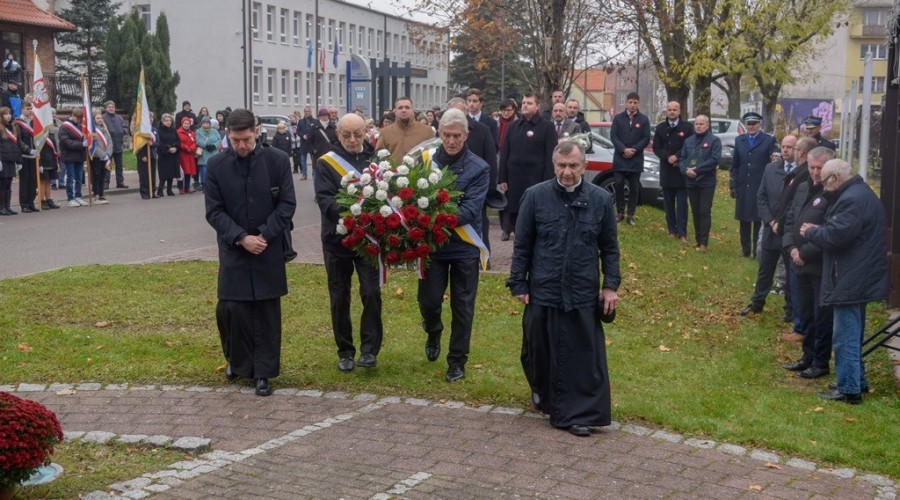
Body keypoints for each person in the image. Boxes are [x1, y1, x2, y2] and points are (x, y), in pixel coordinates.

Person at [508, 140, 620, 437]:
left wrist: (610, 286)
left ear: (584, 166)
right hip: (543, 287)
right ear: (553, 165)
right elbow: (522, 245)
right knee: (538, 349)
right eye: (561, 165)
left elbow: (609, 248)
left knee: (580, 357)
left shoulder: (600, 200)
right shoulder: (535, 196)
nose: (567, 172)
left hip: (581, 291)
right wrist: (518, 282)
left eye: (573, 166)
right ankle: (543, 394)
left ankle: (580, 413)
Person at [204, 108, 296, 397]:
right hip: (234, 248)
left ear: (256, 132)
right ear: (228, 136)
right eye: (235, 141)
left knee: (266, 311)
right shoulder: (217, 166)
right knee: (232, 310)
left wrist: (264, 235)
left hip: (268, 247)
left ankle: (264, 372)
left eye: (245, 139)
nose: (241, 145)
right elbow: (214, 212)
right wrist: (241, 238)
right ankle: (236, 360)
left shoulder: (278, 161)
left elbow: (287, 205)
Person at [800, 158, 887, 404]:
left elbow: (836, 236)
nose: (822, 187)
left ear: (835, 179)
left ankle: (849, 389)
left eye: (825, 182)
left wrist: (811, 231)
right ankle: (855, 380)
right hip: (859, 274)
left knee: (845, 335)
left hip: (851, 276)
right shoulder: (860, 193)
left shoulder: (851, 200)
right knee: (853, 332)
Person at [418, 108, 489, 382]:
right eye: (446, 135)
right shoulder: (424, 163)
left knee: (463, 306)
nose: (451, 141)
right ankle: (433, 329)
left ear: (466, 135)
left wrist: (434, 217)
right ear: (439, 134)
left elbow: (470, 210)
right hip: (433, 246)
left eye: (456, 136)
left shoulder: (480, 168)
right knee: (429, 300)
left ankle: (457, 361)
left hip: (464, 245)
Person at [314, 113, 383, 372]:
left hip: (368, 240)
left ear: (366, 132)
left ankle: (369, 349)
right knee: (339, 296)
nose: (353, 140)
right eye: (346, 135)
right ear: (337, 134)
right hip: (337, 240)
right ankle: (345, 350)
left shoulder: (376, 159)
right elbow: (325, 200)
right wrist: (353, 217)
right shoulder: (326, 163)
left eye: (358, 134)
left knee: (371, 293)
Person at [781, 147, 834, 379]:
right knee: (805, 312)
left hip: (818, 264)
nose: (814, 172)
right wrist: (792, 249)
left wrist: (804, 253)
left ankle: (821, 362)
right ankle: (807, 357)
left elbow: (829, 231)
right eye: (811, 167)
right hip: (798, 261)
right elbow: (791, 219)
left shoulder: (833, 193)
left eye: (819, 168)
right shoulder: (803, 187)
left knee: (821, 315)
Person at [739, 135, 797, 317]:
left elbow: (797, 203)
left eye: (790, 147)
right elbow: (761, 196)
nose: (785, 150)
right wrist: (770, 221)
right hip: (771, 227)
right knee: (765, 267)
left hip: (789, 230)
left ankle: (791, 309)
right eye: (784, 146)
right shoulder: (771, 168)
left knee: (790, 271)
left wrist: (784, 224)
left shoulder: (802, 172)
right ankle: (757, 303)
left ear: (798, 150)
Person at [498, 92, 556, 241]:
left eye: (529, 103)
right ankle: (519, 248)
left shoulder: (547, 127)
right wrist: (502, 177)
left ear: (537, 106)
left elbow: (550, 157)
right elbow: (505, 153)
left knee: (534, 217)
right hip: (514, 180)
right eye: (523, 103)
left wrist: (548, 181)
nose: (525, 105)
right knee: (516, 217)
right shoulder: (513, 126)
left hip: (536, 180)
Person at [730, 111, 778, 257]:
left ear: (759, 125)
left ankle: (757, 250)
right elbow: (735, 164)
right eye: (748, 124)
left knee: (758, 219)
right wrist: (733, 184)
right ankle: (745, 249)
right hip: (743, 184)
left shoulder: (768, 140)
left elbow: (774, 163)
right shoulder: (739, 140)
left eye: (754, 124)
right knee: (744, 219)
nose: (751, 127)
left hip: (760, 184)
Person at [679, 115, 721, 252]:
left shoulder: (714, 140)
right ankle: (698, 240)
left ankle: (704, 243)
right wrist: (685, 171)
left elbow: (714, 160)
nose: (698, 126)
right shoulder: (688, 141)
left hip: (706, 181)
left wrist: (697, 170)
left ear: (707, 125)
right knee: (695, 211)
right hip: (691, 181)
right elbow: (682, 159)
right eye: (696, 123)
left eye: (702, 124)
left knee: (704, 211)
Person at [653, 101, 694, 240]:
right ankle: (672, 230)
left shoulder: (688, 128)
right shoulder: (660, 128)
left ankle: (682, 232)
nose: (671, 112)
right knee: (668, 204)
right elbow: (656, 147)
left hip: (681, 171)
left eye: (674, 109)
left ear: (679, 111)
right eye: (669, 109)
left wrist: (677, 156)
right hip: (666, 170)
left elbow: (690, 146)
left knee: (682, 204)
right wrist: (667, 157)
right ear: (666, 111)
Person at [610, 92, 651, 225]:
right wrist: (623, 149)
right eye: (630, 102)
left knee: (634, 187)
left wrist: (634, 149)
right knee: (619, 184)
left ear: (638, 103)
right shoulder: (618, 118)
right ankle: (620, 212)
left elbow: (646, 138)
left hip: (635, 158)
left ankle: (631, 214)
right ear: (626, 102)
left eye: (635, 102)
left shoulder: (644, 119)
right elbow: (614, 136)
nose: (632, 105)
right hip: (620, 157)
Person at [375, 97, 435, 163]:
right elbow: (379, 157)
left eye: (407, 107)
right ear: (395, 112)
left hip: (419, 172)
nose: (404, 110)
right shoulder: (385, 132)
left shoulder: (427, 131)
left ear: (412, 110)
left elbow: (432, 156)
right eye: (400, 108)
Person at [58, 108, 88, 208]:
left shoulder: (80, 127)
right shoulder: (64, 127)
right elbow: (66, 142)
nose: (79, 121)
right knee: (70, 178)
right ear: (73, 116)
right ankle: (70, 198)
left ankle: (78, 196)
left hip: (79, 156)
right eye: (78, 119)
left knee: (79, 178)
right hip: (69, 156)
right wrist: (81, 144)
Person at [14, 101, 40, 213]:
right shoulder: (17, 123)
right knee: (25, 180)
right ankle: (24, 204)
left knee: (33, 180)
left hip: (34, 155)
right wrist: (28, 150)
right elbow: (18, 140)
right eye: (27, 109)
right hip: (24, 155)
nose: (30, 111)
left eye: (31, 109)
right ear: (22, 110)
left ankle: (31, 202)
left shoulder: (34, 122)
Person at [0, 106, 26, 215]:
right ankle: (1, 207)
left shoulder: (13, 127)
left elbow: (17, 145)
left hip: (11, 159)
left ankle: (7, 206)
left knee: (8, 184)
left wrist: (19, 161)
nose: (8, 116)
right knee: (2, 184)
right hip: (3, 159)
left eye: (9, 113)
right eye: (5, 114)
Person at [101, 100, 128, 189]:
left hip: (119, 145)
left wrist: (123, 131)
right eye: (109, 107)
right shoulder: (103, 118)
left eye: (113, 107)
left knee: (119, 166)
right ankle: (106, 183)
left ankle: (120, 182)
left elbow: (125, 127)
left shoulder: (119, 118)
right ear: (106, 108)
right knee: (108, 165)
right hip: (108, 146)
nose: (111, 108)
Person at [89, 112, 112, 205]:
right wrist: (103, 155)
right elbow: (94, 145)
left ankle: (102, 194)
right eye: (98, 118)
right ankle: (96, 195)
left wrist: (108, 154)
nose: (100, 119)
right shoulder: (93, 131)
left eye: (101, 118)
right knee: (96, 176)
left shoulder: (105, 130)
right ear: (94, 119)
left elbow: (110, 142)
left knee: (103, 175)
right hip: (96, 157)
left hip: (105, 157)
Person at [135, 111, 158, 200]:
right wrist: (142, 155)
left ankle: (152, 191)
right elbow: (138, 145)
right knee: (144, 175)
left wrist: (152, 143)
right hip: (144, 156)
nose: (150, 119)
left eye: (152, 117)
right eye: (148, 117)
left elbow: (158, 143)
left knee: (152, 174)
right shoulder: (140, 131)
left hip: (152, 155)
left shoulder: (154, 130)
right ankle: (144, 192)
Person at [156, 113, 180, 197]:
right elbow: (158, 142)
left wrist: (175, 147)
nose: (168, 122)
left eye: (169, 120)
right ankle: (160, 190)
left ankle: (169, 189)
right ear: (162, 122)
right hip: (164, 154)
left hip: (173, 154)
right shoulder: (158, 130)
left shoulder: (173, 130)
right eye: (166, 121)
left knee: (171, 173)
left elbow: (177, 140)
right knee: (164, 173)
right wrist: (167, 148)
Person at [195, 116, 221, 192]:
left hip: (214, 152)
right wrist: (206, 145)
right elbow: (198, 141)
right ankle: (204, 185)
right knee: (204, 170)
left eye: (207, 123)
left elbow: (219, 139)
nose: (206, 124)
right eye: (204, 123)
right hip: (204, 153)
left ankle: (214, 185)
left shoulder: (214, 131)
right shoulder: (198, 131)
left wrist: (214, 146)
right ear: (201, 124)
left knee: (214, 170)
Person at [177, 116, 198, 194]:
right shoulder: (178, 132)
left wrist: (191, 148)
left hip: (190, 155)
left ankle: (187, 187)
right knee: (182, 172)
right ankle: (181, 188)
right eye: (185, 123)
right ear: (182, 124)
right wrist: (186, 148)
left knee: (189, 171)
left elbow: (194, 143)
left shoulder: (192, 133)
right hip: (182, 154)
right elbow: (179, 142)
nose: (186, 125)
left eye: (188, 123)